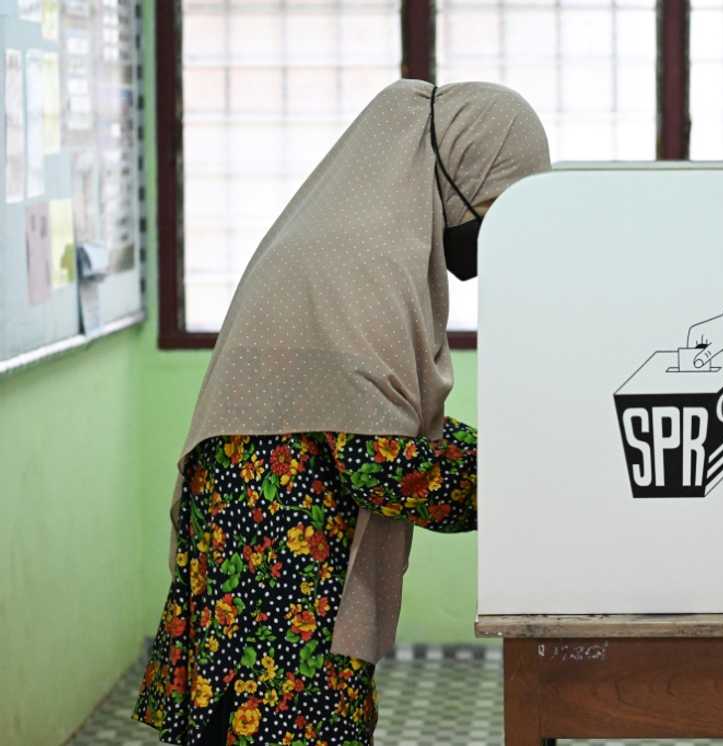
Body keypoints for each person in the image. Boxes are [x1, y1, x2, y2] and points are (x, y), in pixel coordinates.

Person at [132, 79, 551, 745]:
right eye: (499, 204)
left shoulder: (361, 233)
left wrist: (509, 456)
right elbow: (382, 462)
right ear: (462, 168)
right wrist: (528, 475)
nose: (496, 230)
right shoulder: (364, 253)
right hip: (277, 565)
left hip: (270, 542)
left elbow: (378, 423)